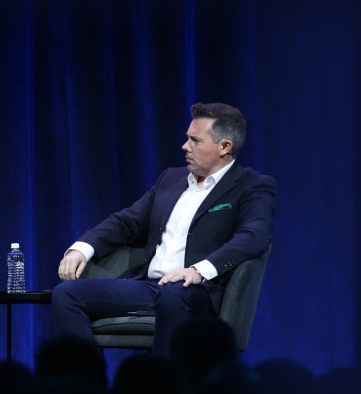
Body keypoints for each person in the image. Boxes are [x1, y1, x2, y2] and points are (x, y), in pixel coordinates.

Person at [51, 102, 276, 355]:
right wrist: (82, 249)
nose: (185, 146)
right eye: (186, 138)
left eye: (195, 141)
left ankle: (164, 386)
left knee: (173, 295)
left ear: (225, 146)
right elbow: (127, 222)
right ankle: (85, 385)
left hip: (199, 291)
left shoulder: (252, 185)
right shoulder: (171, 179)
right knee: (66, 294)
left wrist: (198, 271)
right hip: (149, 287)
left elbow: (254, 236)